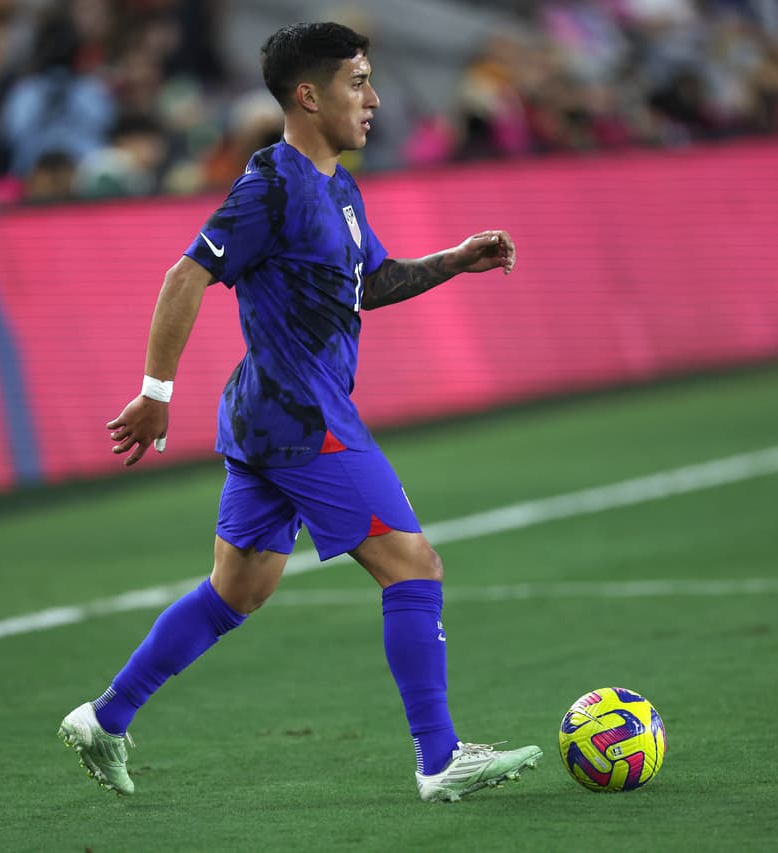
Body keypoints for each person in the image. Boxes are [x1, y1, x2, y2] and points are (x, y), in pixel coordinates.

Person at [58, 22, 542, 804]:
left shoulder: (339, 188)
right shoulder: (271, 188)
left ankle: (105, 716)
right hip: (301, 416)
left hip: (266, 415)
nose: (375, 98)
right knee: (413, 565)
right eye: (358, 82)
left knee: (238, 588)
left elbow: (370, 282)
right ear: (309, 95)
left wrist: (452, 261)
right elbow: (186, 275)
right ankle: (439, 756)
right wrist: (155, 393)